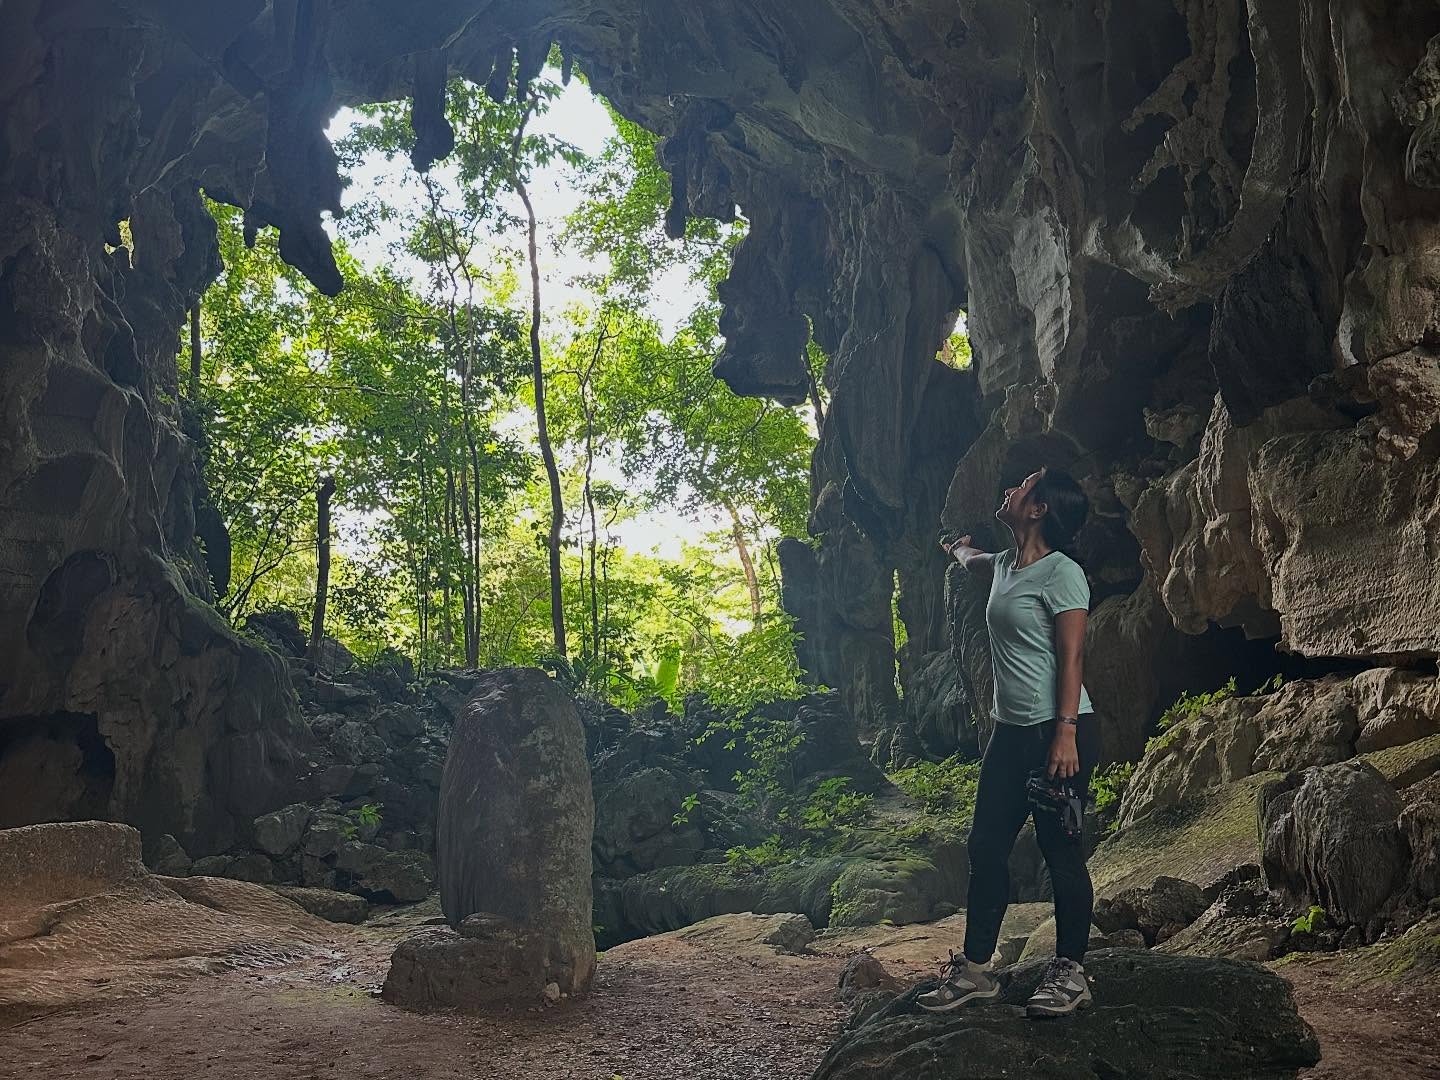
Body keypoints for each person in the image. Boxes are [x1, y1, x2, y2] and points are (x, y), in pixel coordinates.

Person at [918, 466, 1099, 1019]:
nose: (1011, 488)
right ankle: (976, 970)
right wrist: (957, 548)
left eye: (1024, 484)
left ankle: (1070, 972)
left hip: (1059, 732)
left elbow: (1072, 657)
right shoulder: (1001, 566)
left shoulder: (1062, 573)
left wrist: (1065, 731)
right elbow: (973, 563)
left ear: (1039, 508)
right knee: (985, 848)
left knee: (1059, 851)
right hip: (1009, 732)